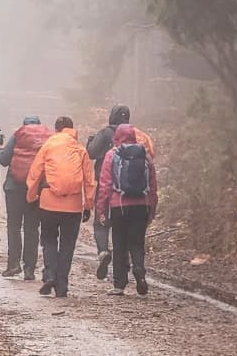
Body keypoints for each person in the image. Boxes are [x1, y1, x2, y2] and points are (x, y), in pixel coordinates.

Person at [26, 116, 94, 298]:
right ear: (72, 130)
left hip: (48, 202)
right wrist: (88, 205)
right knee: (67, 245)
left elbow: (35, 173)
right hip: (72, 206)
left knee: (48, 240)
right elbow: (89, 180)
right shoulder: (80, 149)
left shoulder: (48, 146)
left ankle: (49, 275)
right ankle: (62, 285)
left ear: (56, 130)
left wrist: (32, 197)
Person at [96, 123, 159, 297]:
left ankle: (119, 284)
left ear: (117, 136)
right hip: (141, 205)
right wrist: (152, 207)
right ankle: (139, 269)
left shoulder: (112, 154)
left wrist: (101, 209)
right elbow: (153, 185)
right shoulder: (145, 155)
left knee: (119, 244)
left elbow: (105, 185)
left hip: (119, 206)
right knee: (137, 243)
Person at [0, 116, 52, 280]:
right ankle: (29, 269)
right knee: (32, 229)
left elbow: (4, 160)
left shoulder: (18, 135)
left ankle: (13, 265)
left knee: (14, 227)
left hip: (14, 188)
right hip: (35, 190)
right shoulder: (46, 139)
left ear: (24, 126)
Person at [86, 105, 131, 280]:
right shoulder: (134, 134)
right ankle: (124, 262)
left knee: (101, 223)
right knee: (123, 227)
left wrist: (90, 142)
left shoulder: (105, 133)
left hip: (106, 185)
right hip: (128, 190)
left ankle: (103, 251)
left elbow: (91, 153)